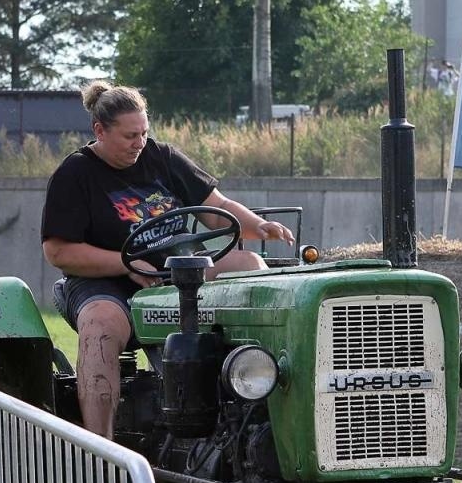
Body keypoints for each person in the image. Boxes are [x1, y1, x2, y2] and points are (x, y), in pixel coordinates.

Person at [41, 81, 294, 438]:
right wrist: (126, 264)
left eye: (144, 133)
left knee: (249, 267)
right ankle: (101, 449)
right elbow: (59, 252)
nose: (139, 143)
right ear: (99, 130)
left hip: (175, 271)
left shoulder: (162, 158)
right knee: (99, 326)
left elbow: (217, 207)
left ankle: (261, 405)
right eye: (129, 136)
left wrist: (257, 225)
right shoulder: (74, 174)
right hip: (107, 283)